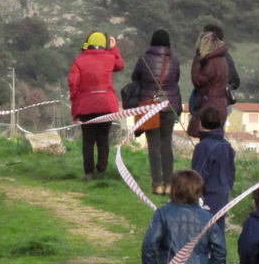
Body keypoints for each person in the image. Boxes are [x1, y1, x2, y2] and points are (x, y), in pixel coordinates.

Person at [68, 31, 124, 181]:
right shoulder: (110, 57)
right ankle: (102, 167)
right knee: (103, 137)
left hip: (86, 105)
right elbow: (120, 65)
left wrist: (75, 99)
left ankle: (89, 173)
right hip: (106, 104)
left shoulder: (79, 60)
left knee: (88, 140)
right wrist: (114, 48)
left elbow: (74, 83)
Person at [132, 29, 182, 195]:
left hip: (150, 106)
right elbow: (175, 80)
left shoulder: (144, 59)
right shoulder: (174, 60)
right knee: (166, 144)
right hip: (169, 105)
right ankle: (169, 184)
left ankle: (157, 184)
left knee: (153, 145)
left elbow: (135, 77)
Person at [191, 106, 236, 232]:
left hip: (207, 197)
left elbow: (198, 175)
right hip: (223, 196)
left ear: (200, 123)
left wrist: (193, 195)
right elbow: (232, 173)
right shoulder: (227, 145)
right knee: (218, 235)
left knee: (203, 235)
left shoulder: (203, 146)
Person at [187, 30, 229, 138]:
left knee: (205, 136)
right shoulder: (222, 60)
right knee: (215, 137)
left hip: (209, 103)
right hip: (219, 103)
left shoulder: (211, 63)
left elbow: (197, 80)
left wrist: (197, 60)